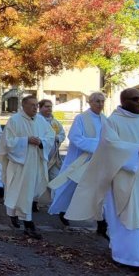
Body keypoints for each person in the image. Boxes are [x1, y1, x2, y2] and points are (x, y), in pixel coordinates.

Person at [66, 87, 139, 275]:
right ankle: (132, 259)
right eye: (135, 99)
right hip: (121, 177)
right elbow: (109, 147)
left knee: (134, 218)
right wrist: (137, 149)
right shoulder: (113, 122)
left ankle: (123, 252)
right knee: (125, 216)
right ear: (124, 100)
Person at [0, 95, 52, 238]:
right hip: (20, 163)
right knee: (20, 191)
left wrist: (41, 142)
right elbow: (7, 142)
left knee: (29, 192)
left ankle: (15, 214)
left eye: (36, 105)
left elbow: (50, 136)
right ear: (24, 106)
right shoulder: (15, 120)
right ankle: (28, 223)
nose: (35, 108)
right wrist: (26, 140)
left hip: (35, 161)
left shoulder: (41, 120)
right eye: (32, 105)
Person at [48, 92, 107, 232]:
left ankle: (101, 222)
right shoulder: (81, 118)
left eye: (102, 101)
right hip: (80, 160)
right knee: (71, 187)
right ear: (90, 102)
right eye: (97, 101)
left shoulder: (106, 120)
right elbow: (74, 137)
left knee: (98, 190)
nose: (100, 104)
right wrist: (98, 145)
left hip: (98, 161)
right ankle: (63, 209)